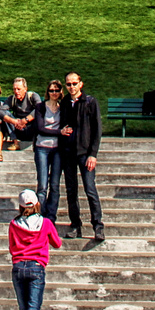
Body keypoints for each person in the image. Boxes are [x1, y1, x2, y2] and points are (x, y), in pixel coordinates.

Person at [8, 187, 62, 310]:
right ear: (37, 204)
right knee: (33, 307)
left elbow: (12, 246)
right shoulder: (45, 223)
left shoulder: (14, 224)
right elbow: (57, 243)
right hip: (36, 266)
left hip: (18, 266)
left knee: (23, 308)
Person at [58, 72, 103, 240]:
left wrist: (93, 154)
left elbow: (97, 129)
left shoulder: (90, 102)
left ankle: (98, 225)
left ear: (80, 84)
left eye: (74, 83)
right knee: (71, 191)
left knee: (90, 189)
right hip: (69, 153)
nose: (71, 87)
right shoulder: (64, 103)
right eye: (68, 84)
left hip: (85, 153)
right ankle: (75, 224)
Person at [30, 80, 65, 219]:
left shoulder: (63, 107)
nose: (54, 93)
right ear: (47, 92)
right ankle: (40, 215)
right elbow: (40, 129)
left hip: (57, 149)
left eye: (57, 90)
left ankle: (51, 216)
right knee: (42, 185)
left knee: (55, 185)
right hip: (42, 147)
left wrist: (61, 133)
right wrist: (59, 132)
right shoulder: (41, 107)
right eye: (51, 90)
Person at [2, 77, 40, 152]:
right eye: (14, 89)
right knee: (5, 114)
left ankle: (37, 144)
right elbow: (0, 112)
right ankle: (15, 143)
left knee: (39, 114)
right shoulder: (12, 99)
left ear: (25, 89)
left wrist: (25, 120)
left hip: (31, 128)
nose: (16, 92)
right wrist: (14, 121)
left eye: (19, 89)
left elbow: (40, 109)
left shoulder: (33, 96)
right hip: (17, 128)